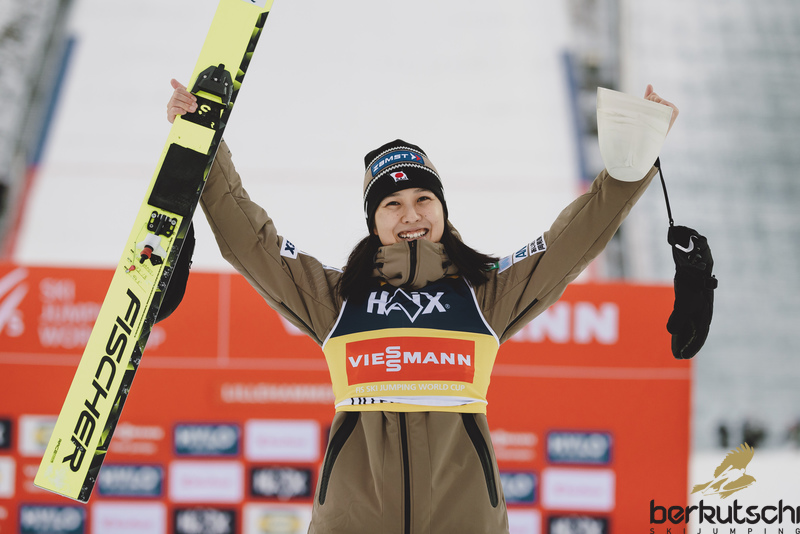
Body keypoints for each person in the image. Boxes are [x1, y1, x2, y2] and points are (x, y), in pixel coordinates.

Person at [167, 80, 677, 534]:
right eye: (392, 204)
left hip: (466, 521)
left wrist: (632, 164)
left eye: (423, 200)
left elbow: (571, 241)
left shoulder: (484, 294)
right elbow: (251, 241)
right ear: (375, 222)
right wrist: (205, 145)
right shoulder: (338, 300)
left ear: (441, 208)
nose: (410, 215)